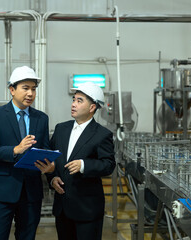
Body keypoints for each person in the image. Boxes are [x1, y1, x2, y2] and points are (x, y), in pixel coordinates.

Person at [0, 66, 54, 240]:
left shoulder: (41, 118)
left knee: (27, 237)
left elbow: (45, 149)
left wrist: (49, 165)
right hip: (2, 192)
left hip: (31, 193)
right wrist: (15, 150)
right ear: (12, 90)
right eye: (25, 88)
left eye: (34, 89)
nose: (30, 93)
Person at [44, 82, 116, 240]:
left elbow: (109, 165)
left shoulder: (102, 134)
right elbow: (50, 158)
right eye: (74, 100)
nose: (74, 104)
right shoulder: (61, 129)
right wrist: (52, 178)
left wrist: (84, 165)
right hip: (62, 207)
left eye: (79, 101)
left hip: (87, 209)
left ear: (92, 108)